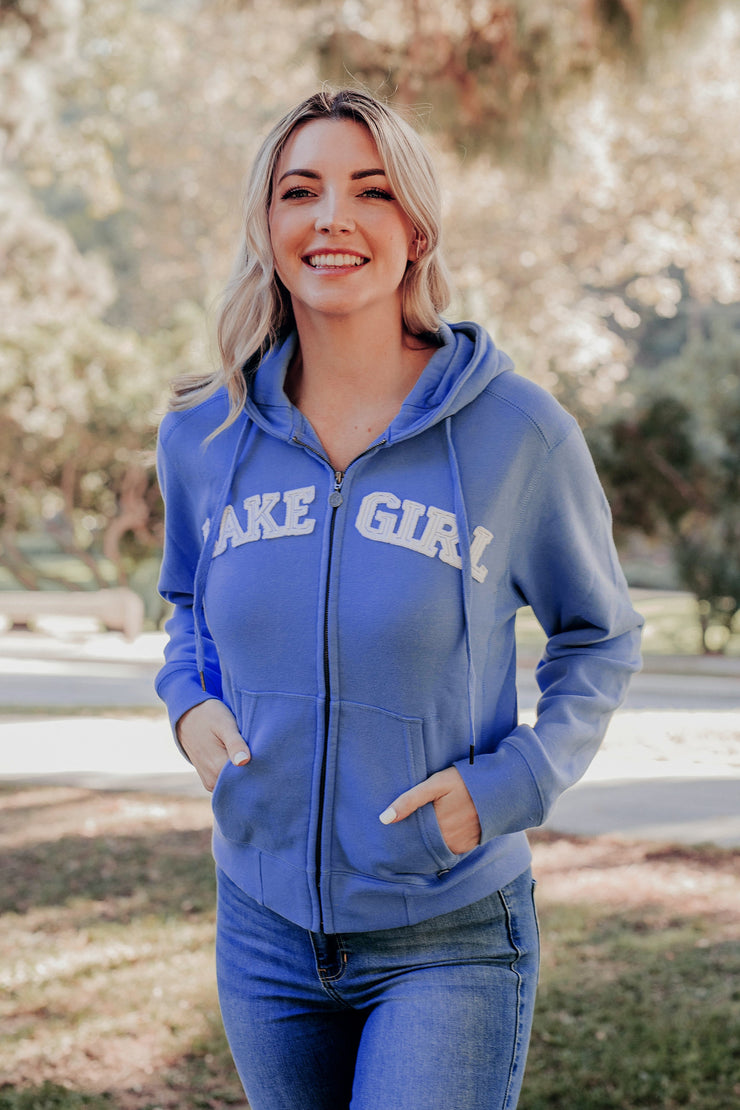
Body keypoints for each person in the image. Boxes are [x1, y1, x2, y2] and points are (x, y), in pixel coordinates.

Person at [155, 86, 643, 1110]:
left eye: (370, 191)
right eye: (300, 191)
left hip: (447, 931)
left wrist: (515, 783)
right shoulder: (205, 432)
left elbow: (598, 637)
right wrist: (190, 703)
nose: (332, 217)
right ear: (266, 226)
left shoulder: (516, 432)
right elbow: (189, 605)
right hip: (262, 928)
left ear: (415, 230)